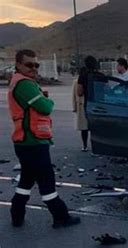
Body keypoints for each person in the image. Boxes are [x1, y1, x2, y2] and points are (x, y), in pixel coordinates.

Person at [7, 49, 80, 228]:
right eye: (29, 64)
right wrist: (48, 101)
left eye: (36, 64)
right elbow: (45, 107)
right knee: (46, 180)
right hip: (33, 141)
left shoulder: (21, 82)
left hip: (26, 141)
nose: (33, 68)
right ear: (18, 65)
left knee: (26, 180)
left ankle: (17, 214)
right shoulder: (24, 84)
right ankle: (60, 216)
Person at [73, 67, 89, 151]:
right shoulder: (76, 82)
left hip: (82, 105)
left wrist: (74, 107)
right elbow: (74, 95)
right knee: (85, 128)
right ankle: (86, 145)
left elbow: (75, 95)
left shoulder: (78, 81)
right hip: (83, 104)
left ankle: (85, 145)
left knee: (84, 129)